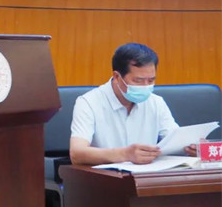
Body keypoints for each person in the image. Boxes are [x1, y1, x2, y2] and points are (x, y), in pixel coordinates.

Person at [69, 42, 197, 165]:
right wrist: (124, 154)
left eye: (151, 80)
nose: (145, 86)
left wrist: (190, 148)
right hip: (104, 176)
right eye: (138, 81)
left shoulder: (156, 102)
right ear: (117, 77)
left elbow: (175, 141)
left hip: (147, 175)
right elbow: (76, 154)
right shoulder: (88, 102)